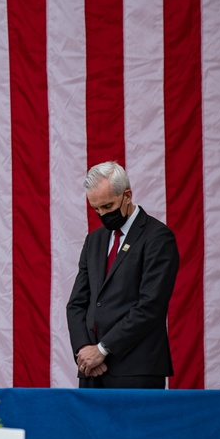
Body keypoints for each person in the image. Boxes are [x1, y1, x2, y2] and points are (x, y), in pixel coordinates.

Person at [65, 161, 179, 388]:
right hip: (92, 369)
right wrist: (84, 351)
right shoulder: (94, 240)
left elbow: (150, 307)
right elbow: (77, 303)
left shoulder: (157, 238)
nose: (102, 214)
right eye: (96, 209)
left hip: (135, 368)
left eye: (107, 206)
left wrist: (103, 349)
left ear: (127, 195)